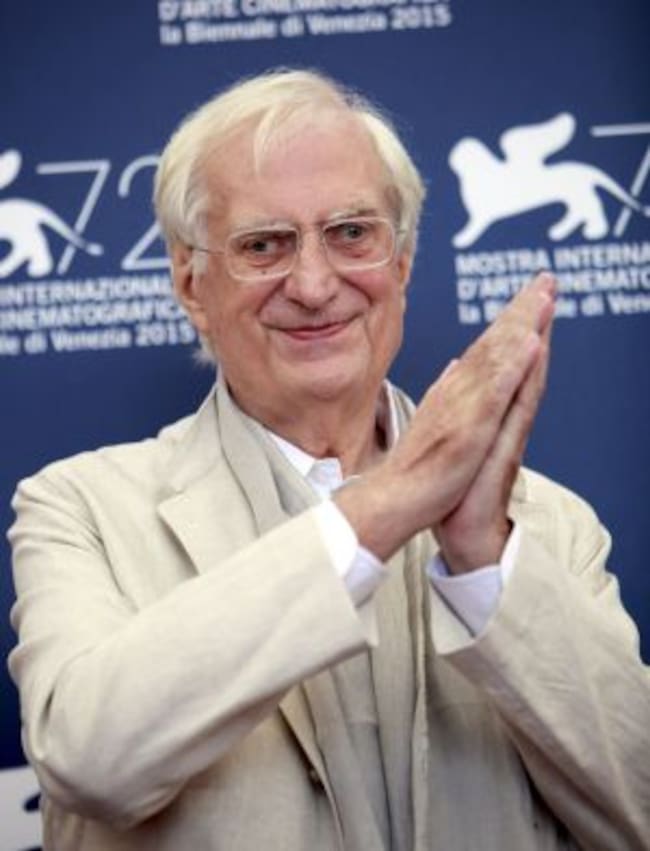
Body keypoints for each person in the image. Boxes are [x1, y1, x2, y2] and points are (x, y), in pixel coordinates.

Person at [7, 69, 649, 851]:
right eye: (263, 245)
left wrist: (484, 560)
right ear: (190, 282)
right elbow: (90, 758)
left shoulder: (546, 524)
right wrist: (386, 505)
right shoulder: (82, 508)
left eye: (352, 233)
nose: (313, 285)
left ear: (403, 262)